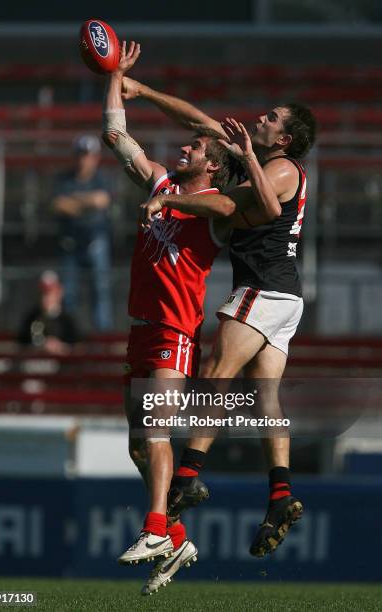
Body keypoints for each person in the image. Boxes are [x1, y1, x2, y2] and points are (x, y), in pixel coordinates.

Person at [132, 77, 317, 558]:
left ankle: (187, 477)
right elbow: (196, 121)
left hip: (265, 286)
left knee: (217, 374)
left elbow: (234, 205)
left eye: (272, 118)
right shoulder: (249, 151)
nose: (262, 117)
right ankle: (280, 495)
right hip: (285, 296)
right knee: (266, 398)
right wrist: (144, 92)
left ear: (285, 139)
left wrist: (168, 198)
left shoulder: (279, 168)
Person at [101, 41, 238, 593]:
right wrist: (115, 74)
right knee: (138, 443)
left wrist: (173, 204)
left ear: (214, 165)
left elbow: (228, 206)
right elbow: (116, 134)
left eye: (196, 147)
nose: (185, 148)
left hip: (176, 333)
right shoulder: (161, 182)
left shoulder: (216, 210)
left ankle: (156, 527)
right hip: (140, 331)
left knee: (156, 430)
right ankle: (178, 537)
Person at [52, 134, 113, 331]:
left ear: (96, 157)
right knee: (68, 294)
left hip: (96, 242)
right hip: (69, 243)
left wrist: (75, 201)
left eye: (87, 155)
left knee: (100, 292)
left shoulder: (102, 179)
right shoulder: (64, 178)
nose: (83, 160)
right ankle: (69, 335)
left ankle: (103, 340)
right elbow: (58, 205)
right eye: (80, 155)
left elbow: (102, 200)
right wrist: (88, 202)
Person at [17, 270, 80, 355]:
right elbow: (21, 345)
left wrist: (61, 347)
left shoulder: (68, 320)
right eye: (44, 292)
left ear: (60, 292)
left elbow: (78, 347)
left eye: (50, 291)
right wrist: (42, 347)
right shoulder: (31, 317)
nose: (46, 296)